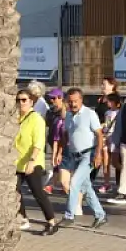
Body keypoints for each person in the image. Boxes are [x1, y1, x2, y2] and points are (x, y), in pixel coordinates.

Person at [57, 88, 108, 229]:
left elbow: (99, 135)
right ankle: (100, 215)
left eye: (75, 101)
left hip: (88, 154)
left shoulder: (90, 114)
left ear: (81, 100)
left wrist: (98, 154)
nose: (73, 104)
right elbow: (66, 135)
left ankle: (69, 216)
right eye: (70, 101)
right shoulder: (68, 115)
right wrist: (60, 151)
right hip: (75, 155)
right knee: (86, 188)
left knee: (74, 183)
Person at [14, 87, 60, 235]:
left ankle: (51, 222)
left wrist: (32, 161)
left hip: (32, 162)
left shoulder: (36, 119)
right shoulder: (15, 118)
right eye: (18, 100)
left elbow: (38, 143)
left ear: (31, 101)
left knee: (37, 192)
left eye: (24, 100)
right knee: (14, 191)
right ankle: (23, 218)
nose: (21, 103)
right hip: (17, 162)